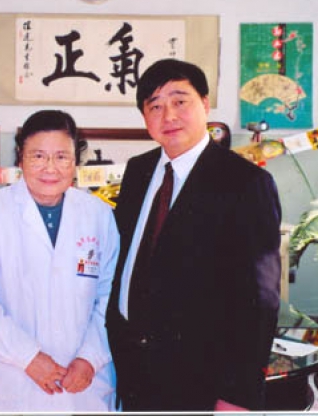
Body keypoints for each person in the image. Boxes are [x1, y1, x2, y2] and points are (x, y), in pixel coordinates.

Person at [106, 58, 282, 411]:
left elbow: (260, 301)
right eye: (155, 106)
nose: (168, 116)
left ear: (204, 104)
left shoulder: (245, 182)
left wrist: (238, 394)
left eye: (179, 101)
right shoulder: (139, 171)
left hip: (199, 374)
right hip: (129, 364)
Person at [0, 110, 119, 412]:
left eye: (62, 157)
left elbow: (109, 298)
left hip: (80, 380)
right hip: (9, 377)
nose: (50, 168)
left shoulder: (99, 215)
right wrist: (28, 357)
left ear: (75, 162)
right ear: (21, 158)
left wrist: (90, 358)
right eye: (38, 156)